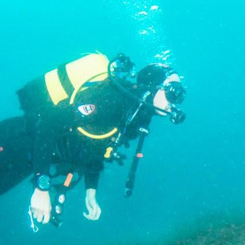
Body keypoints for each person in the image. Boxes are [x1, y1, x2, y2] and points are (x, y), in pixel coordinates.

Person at [0, 52, 186, 228]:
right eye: (172, 92)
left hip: (29, 158)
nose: (175, 101)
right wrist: (42, 186)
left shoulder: (135, 116)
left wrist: (91, 190)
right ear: (153, 87)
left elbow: (96, 148)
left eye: (179, 95)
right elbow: (49, 125)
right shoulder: (113, 101)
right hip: (16, 140)